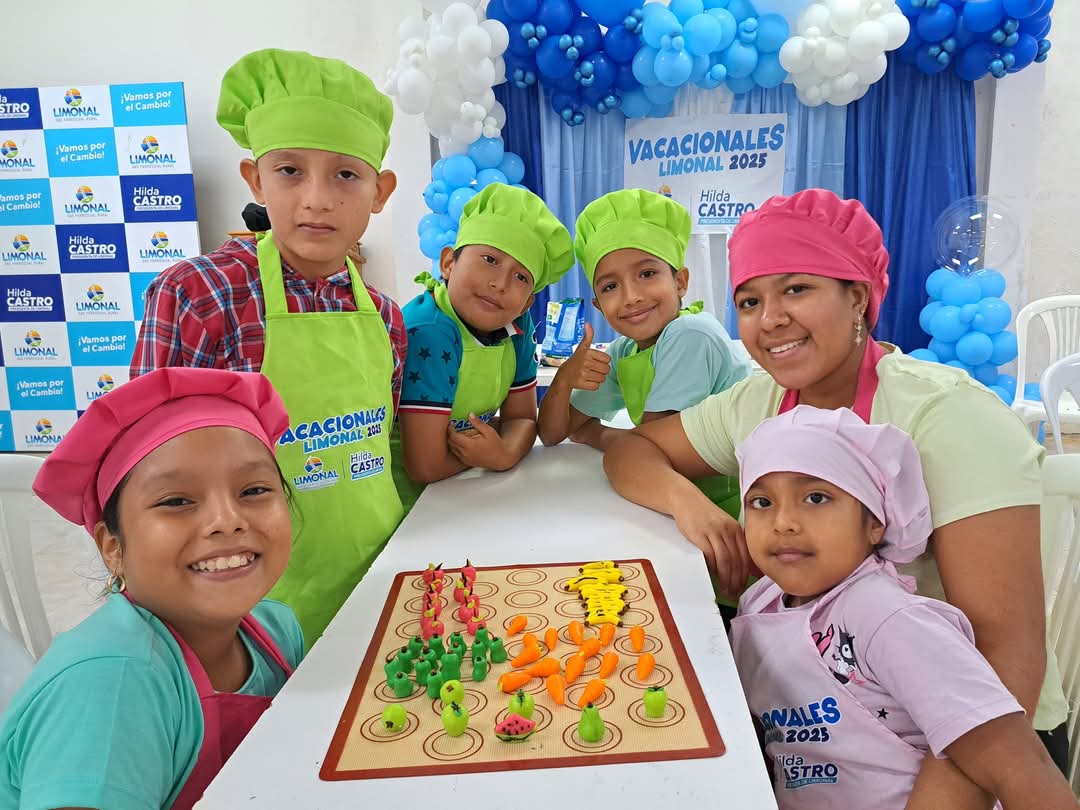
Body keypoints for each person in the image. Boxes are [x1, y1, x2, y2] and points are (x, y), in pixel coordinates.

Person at [603, 188, 1070, 797]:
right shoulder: (760, 401)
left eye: (796, 289)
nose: (770, 319)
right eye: (749, 301)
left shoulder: (949, 417)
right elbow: (631, 451)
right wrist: (691, 507)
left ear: (858, 297)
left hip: (977, 742)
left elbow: (1003, 664)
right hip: (823, 727)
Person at [131, 48, 406, 644]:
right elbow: (148, 472)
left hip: (380, 577)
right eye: (289, 171)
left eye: (346, 175)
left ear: (379, 191)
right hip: (252, 608)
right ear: (255, 178)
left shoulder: (385, 316)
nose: (317, 198)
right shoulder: (200, 295)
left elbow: (386, 447)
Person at [731, 405, 1077, 809]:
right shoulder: (759, 603)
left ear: (875, 522)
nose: (784, 522)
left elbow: (1017, 763)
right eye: (761, 502)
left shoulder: (889, 619)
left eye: (816, 497)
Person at [0, 368, 302, 810]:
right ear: (112, 547)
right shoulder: (110, 684)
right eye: (176, 501)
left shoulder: (277, 629)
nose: (227, 520)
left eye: (254, 490)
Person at [394, 183, 574, 508]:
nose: (499, 284)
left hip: (472, 489)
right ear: (448, 263)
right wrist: (496, 446)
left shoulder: (518, 326)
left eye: (521, 277)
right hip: (411, 506)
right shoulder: (430, 330)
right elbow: (425, 465)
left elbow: (523, 420)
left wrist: (503, 453)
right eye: (490, 259)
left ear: (527, 303)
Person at [538, 189, 750, 461]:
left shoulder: (691, 334)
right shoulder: (623, 351)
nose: (631, 297)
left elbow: (653, 449)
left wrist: (595, 434)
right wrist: (565, 377)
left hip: (734, 484)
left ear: (680, 282)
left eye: (647, 274)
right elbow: (552, 434)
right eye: (610, 286)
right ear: (599, 306)